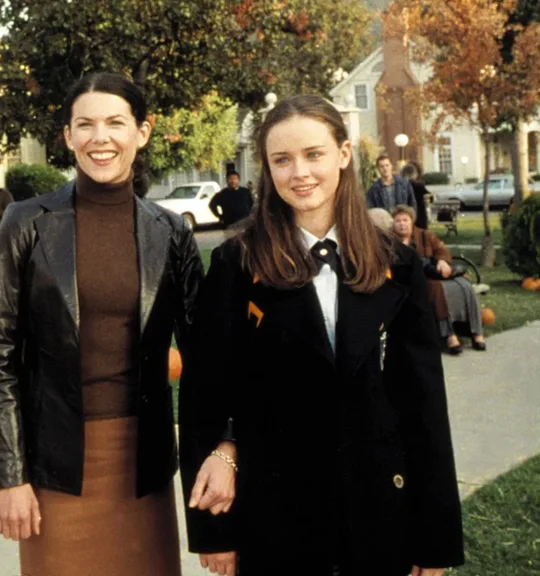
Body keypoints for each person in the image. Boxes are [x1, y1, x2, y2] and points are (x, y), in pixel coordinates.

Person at [180, 94, 464, 576]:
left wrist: (434, 538)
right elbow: (205, 397)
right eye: (281, 160)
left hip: (378, 515)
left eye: (313, 154)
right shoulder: (236, 263)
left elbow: (424, 407)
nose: (299, 173)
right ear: (267, 170)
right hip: (277, 518)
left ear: (344, 154)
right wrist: (214, 530)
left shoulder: (396, 264)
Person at [0, 72, 204, 576]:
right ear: (68, 137)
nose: (100, 138)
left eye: (114, 123)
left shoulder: (170, 233)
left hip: (142, 466)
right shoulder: (25, 223)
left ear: (141, 132)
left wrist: (223, 449)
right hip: (56, 466)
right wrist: (10, 477)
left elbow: (206, 361)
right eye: (85, 124)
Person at [391, 205, 486, 355]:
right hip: (415, 280)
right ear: (393, 223)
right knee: (435, 288)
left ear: (412, 221)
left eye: (405, 220)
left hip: (437, 272)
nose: (402, 224)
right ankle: (449, 335)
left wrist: (442, 261)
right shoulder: (391, 241)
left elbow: (442, 250)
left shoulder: (425, 235)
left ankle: (476, 332)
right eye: (398, 221)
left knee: (464, 284)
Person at [401, 162, 430, 230]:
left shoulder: (401, 186)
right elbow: (429, 197)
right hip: (420, 214)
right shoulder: (419, 185)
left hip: (406, 212)